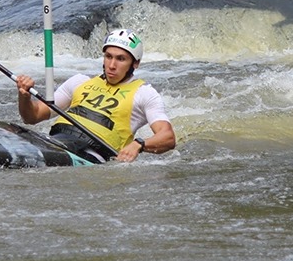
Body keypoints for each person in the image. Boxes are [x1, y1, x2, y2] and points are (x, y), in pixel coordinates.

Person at [14, 29, 176, 164]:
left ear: (135, 64)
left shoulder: (144, 93)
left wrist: (139, 144)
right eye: (108, 56)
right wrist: (25, 96)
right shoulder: (79, 81)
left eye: (121, 59)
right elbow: (32, 117)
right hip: (55, 142)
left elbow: (168, 137)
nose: (112, 65)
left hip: (90, 155)